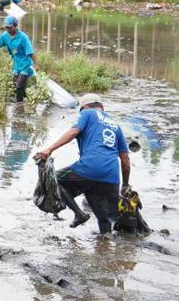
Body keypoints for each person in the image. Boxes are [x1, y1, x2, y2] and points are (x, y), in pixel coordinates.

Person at [33, 94, 131, 233]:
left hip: (89, 168)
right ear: (102, 107)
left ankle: (79, 214)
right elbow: (125, 160)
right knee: (103, 219)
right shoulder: (116, 125)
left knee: (55, 180)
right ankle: (106, 245)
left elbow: (74, 131)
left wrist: (49, 149)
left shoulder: (88, 113)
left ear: (84, 107)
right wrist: (125, 184)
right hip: (111, 177)